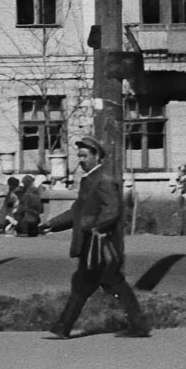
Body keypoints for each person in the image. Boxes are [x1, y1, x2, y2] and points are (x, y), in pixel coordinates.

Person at [40, 136, 151, 339]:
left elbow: (112, 210)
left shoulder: (104, 178)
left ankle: (64, 327)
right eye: (79, 156)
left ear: (97, 156)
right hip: (92, 243)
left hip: (99, 243)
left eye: (84, 156)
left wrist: (91, 225)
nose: (81, 160)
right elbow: (76, 211)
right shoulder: (90, 179)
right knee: (91, 284)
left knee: (98, 284)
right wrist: (50, 224)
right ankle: (137, 325)